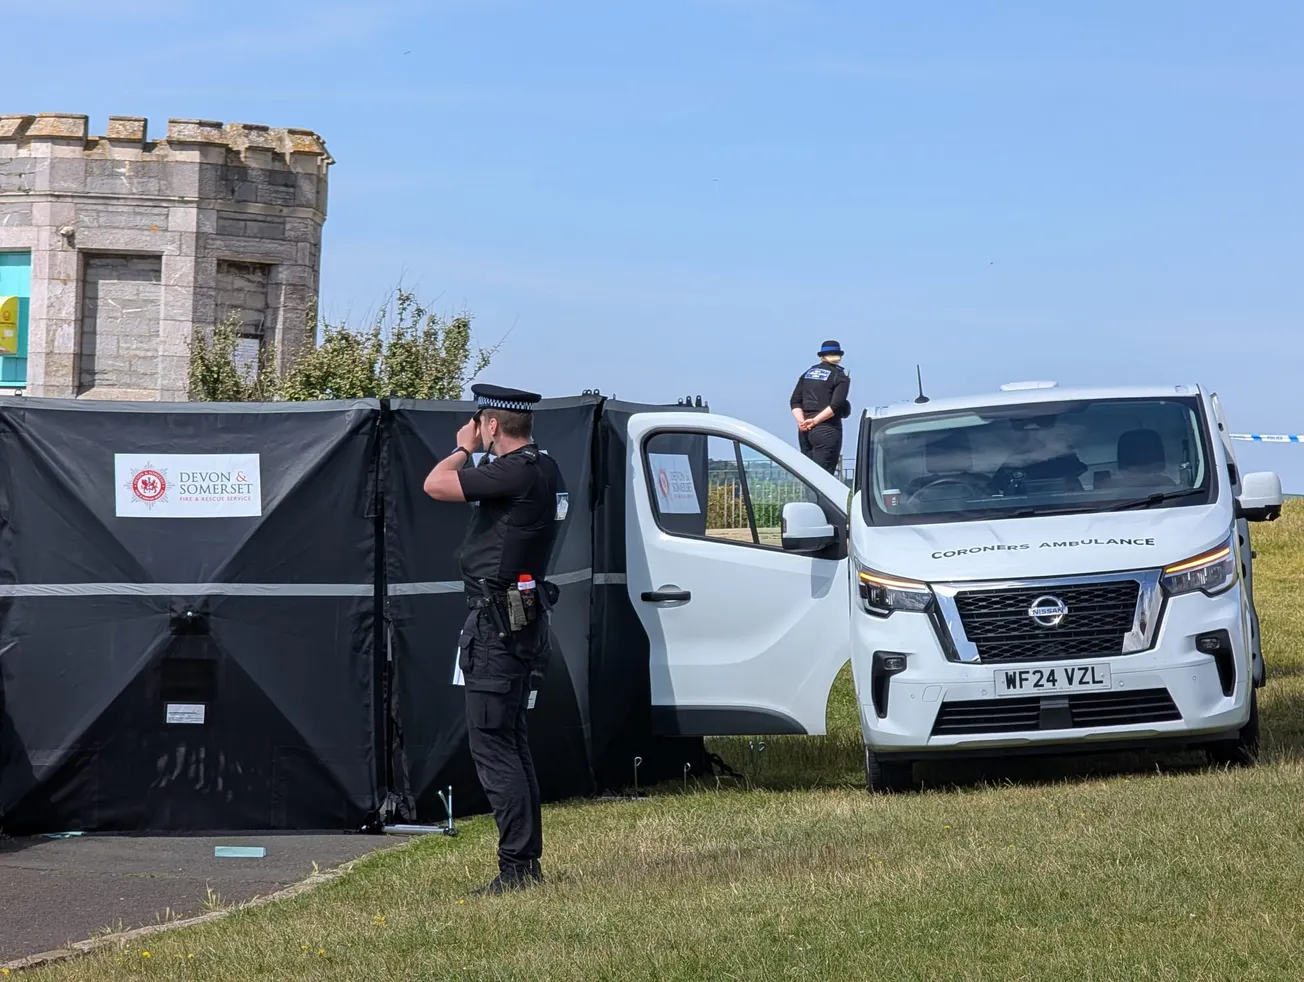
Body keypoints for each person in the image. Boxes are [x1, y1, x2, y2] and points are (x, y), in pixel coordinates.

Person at [422, 383, 567, 894]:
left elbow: (435, 485)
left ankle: (517, 869)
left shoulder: (513, 470)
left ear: (490, 425)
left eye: (478, 424)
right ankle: (525, 864)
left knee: (494, 748)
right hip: (521, 619)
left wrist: (463, 447)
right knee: (511, 743)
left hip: (497, 627)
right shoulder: (544, 467)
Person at [790, 340, 852, 474]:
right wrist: (815, 421)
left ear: (821, 356)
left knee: (809, 476)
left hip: (804, 430)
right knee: (824, 476)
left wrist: (802, 422)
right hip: (827, 429)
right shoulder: (839, 376)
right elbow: (836, 405)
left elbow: (795, 401)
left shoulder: (807, 374)